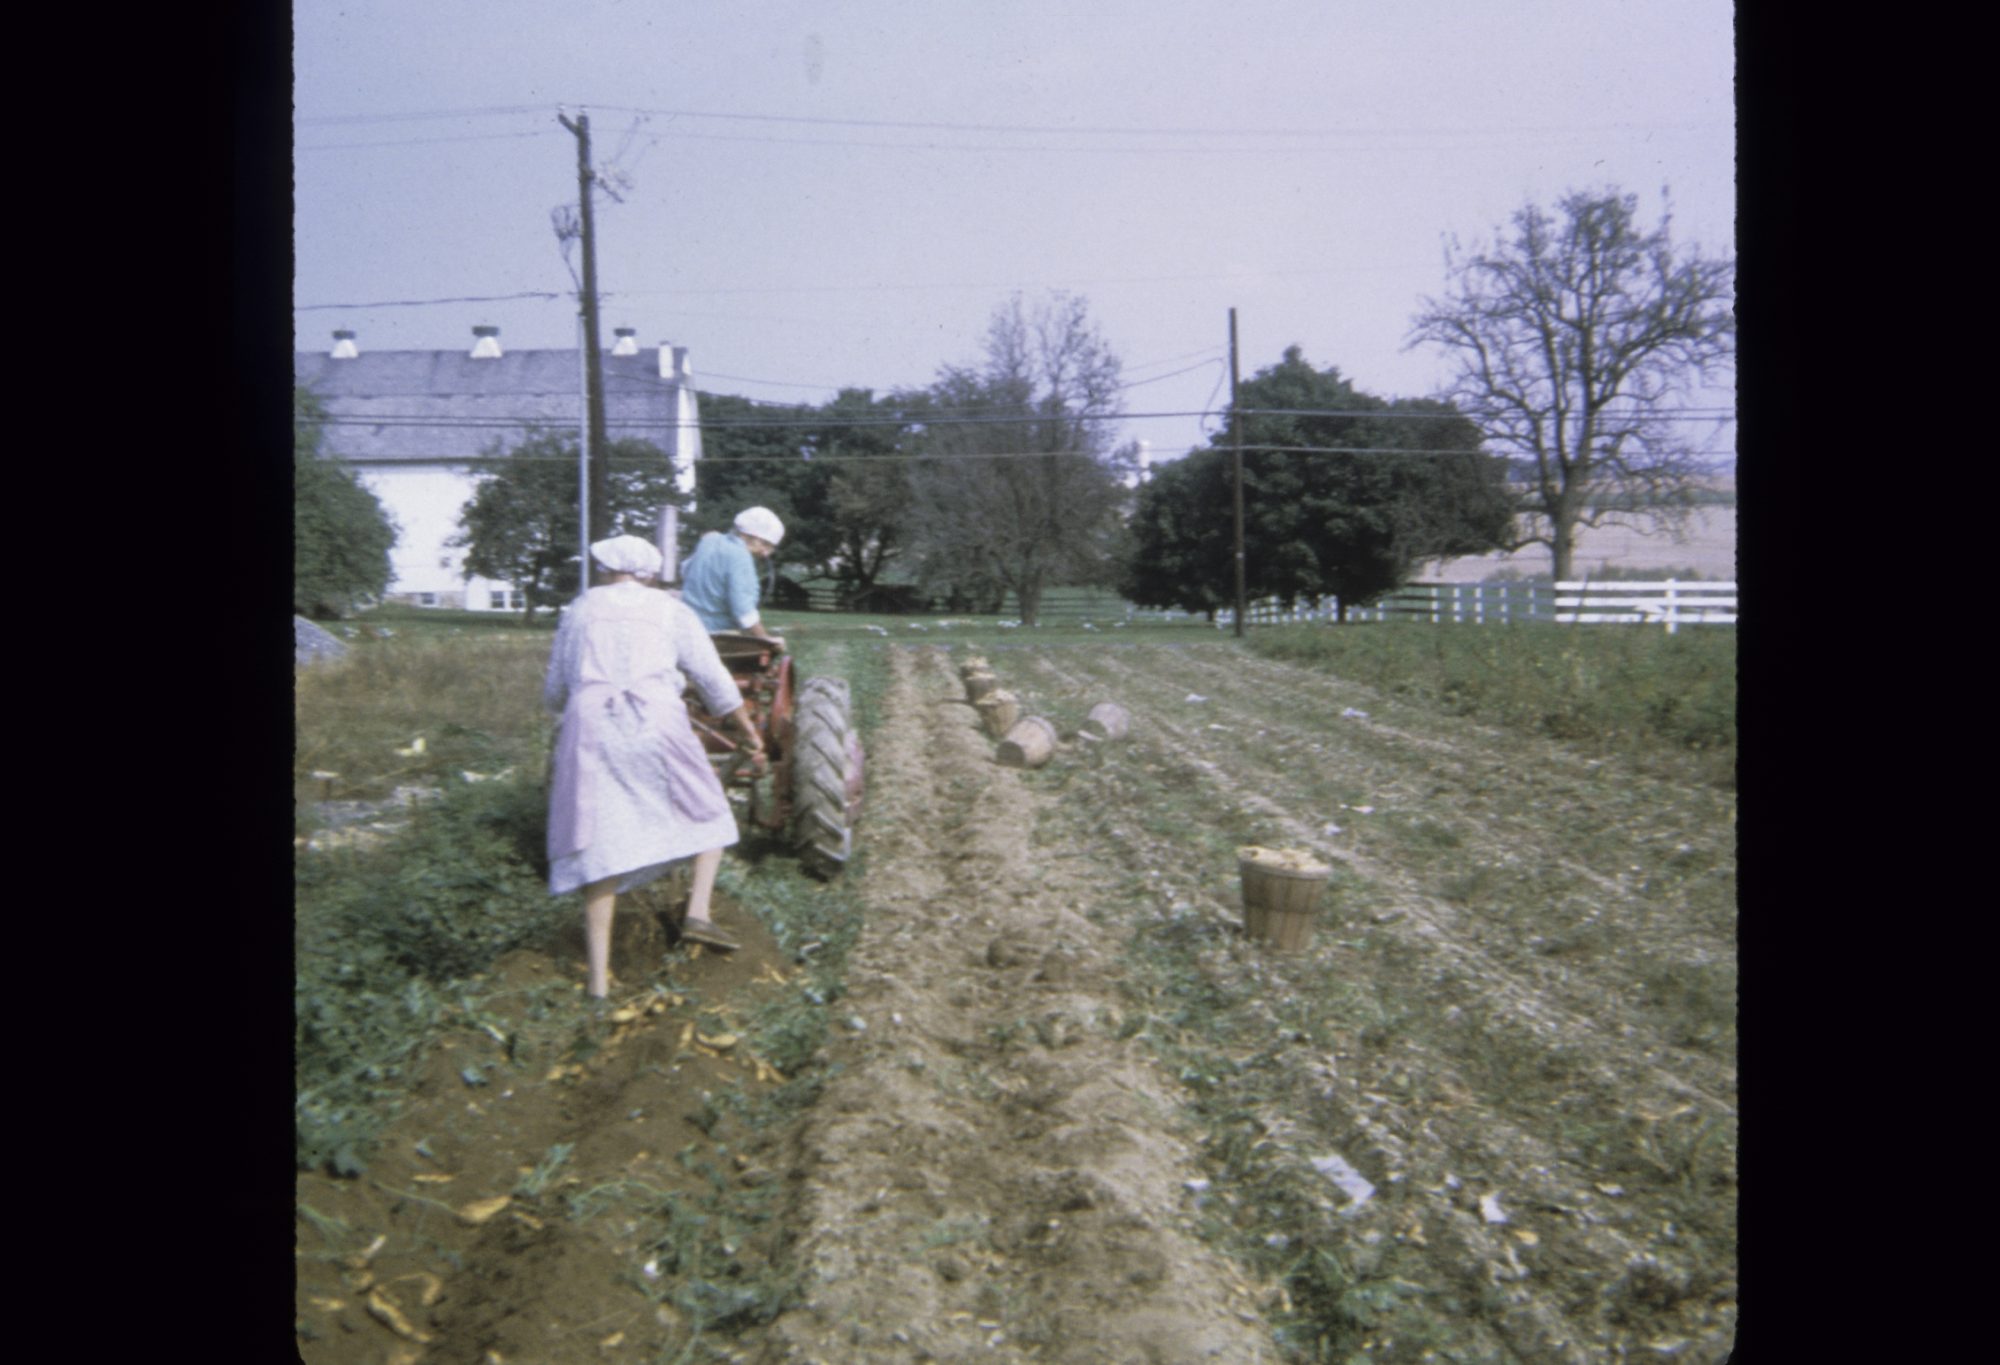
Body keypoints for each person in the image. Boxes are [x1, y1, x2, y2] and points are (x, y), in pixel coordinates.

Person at [544, 534, 763, 999]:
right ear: (648, 572)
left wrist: (578, 701)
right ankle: (697, 912)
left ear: (603, 568)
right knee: (709, 811)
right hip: (656, 722)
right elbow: (712, 677)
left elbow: (555, 690)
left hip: (592, 727)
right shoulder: (671, 610)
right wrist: (746, 729)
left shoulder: (579, 610)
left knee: (596, 845)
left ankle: (599, 983)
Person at [680, 506, 787, 650]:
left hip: (687, 628)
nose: (766, 554)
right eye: (766, 545)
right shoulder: (740, 556)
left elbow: (685, 570)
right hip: (718, 636)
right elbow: (743, 611)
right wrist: (766, 639)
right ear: (753, 537)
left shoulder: (709, 541)